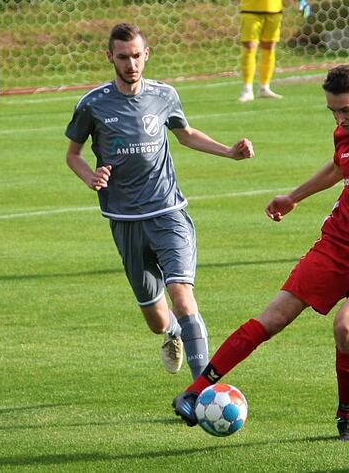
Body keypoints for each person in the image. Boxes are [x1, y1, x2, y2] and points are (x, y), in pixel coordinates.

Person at [172, 64, 349, 441]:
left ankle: (347, 416)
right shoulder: (344, 133)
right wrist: (293, 197)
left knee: (346, 326)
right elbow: (340, 167)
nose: (339, 119)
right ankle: (193, 392)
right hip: (338, 243)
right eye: (333, 112)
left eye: (346, 111)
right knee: (272, 317)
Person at [65, 23, 255, 381]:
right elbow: (72, 155)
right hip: (124, 219)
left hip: (168, 212)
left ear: (146, 54)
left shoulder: (164, 95)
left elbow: (186, 135)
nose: (131, 64)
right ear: (110, 58)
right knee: (156, 319)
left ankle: (201, 390)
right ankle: (172, 333)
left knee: (182, 296)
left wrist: (229, 152)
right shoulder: (92, 104)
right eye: (123, 57)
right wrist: (89, 175)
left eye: (137, 56)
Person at [231, 0, 311, 102]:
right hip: (251, 10)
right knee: (250, 47)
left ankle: (265, 87)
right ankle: (247, 89)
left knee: (269, 47)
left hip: (274, 10)